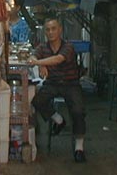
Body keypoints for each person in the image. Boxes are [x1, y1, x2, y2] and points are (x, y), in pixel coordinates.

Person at [29, 16, 86, 163]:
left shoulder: (68, 46)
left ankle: (79, 148)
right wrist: (40, 64)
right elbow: (32, 56)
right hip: (52, 83)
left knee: (78, 111)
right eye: (47, 30)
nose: (51, 32)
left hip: (71, 83)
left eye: (54, 29)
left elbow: (58, 59)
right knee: (37, 101)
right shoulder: (43, 47)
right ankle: (58, 120)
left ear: (60, 30)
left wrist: (39, 62)